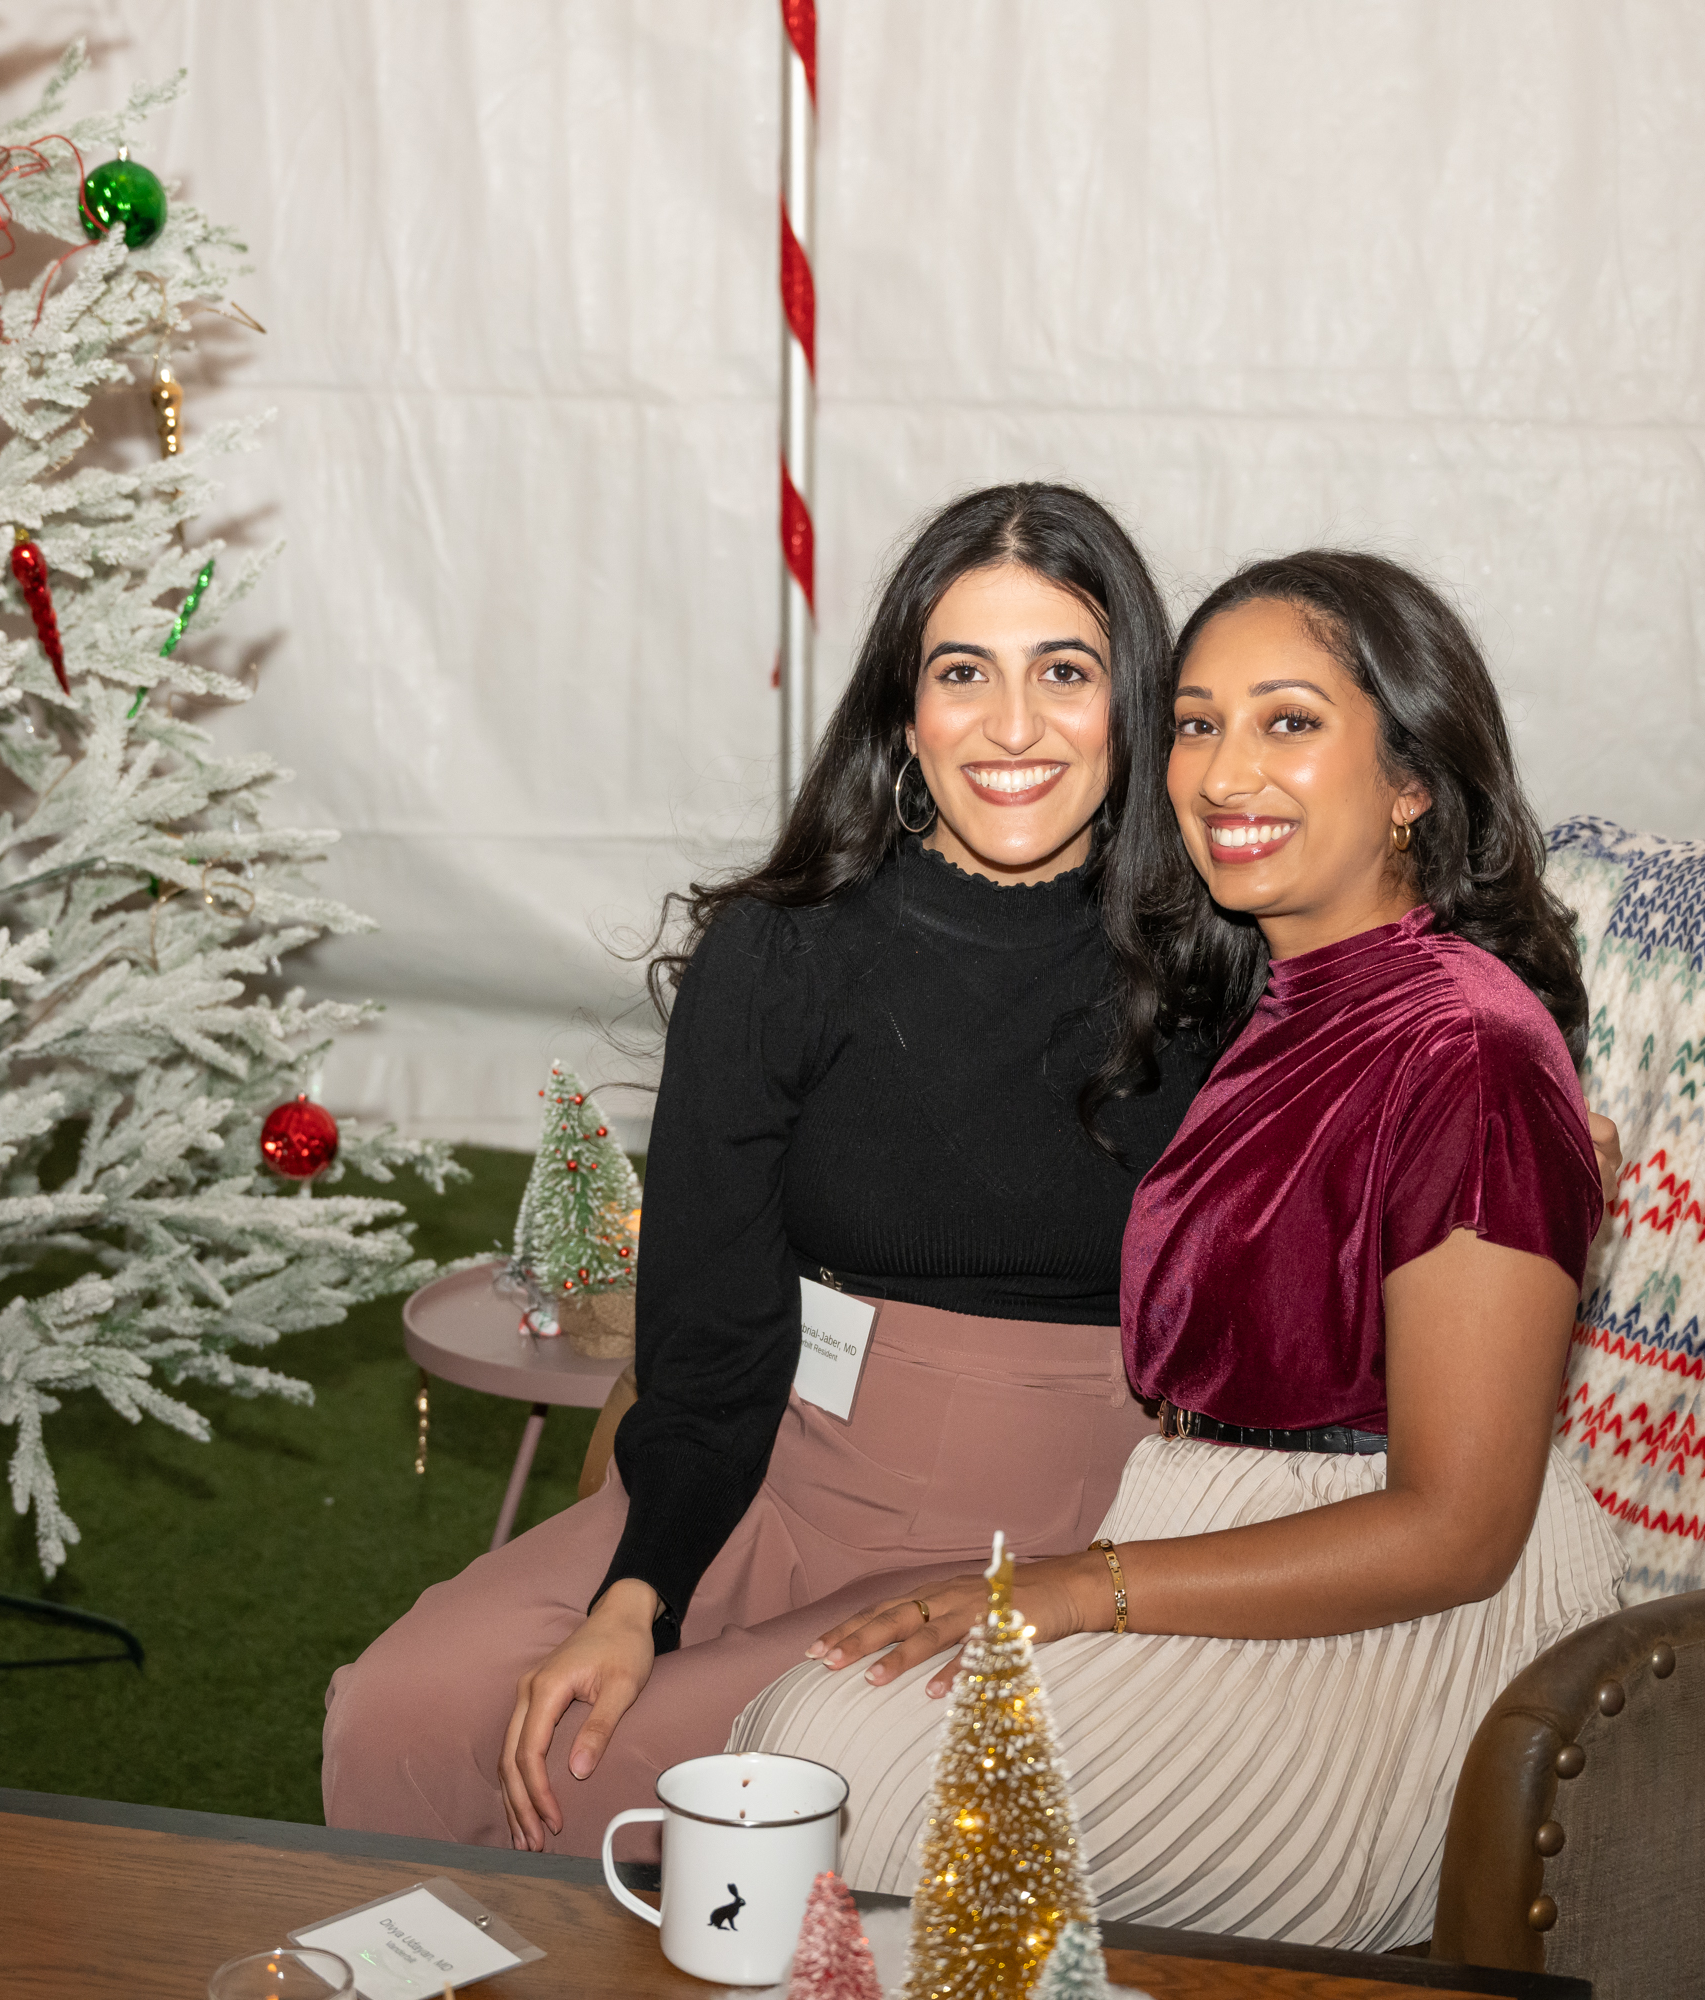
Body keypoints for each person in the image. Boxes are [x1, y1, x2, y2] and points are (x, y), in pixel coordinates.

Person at [729, 550, 1625, 1954]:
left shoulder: (1464, 1045)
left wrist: (1081, 1588)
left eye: (1288, 722)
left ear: (1411, 779)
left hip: (1397, 1632)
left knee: (861, 1786)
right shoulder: (1274, 999)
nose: (1222, 774)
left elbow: (1458, 1529)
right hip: (1201, 1550)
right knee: (808, 1754)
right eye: (1197, 724)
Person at [322, 483, 1211, 1854]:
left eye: (1065, 673)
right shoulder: (781, 953)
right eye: (963, 673)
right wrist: (639, 1594)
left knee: (604, 1778)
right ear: (903, 711)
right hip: (782, 1474)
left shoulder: (1219, 971)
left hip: (1049, 1535)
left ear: (1134, 706)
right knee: (402, 1711)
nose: (1013, 726)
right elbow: (717, 1334)